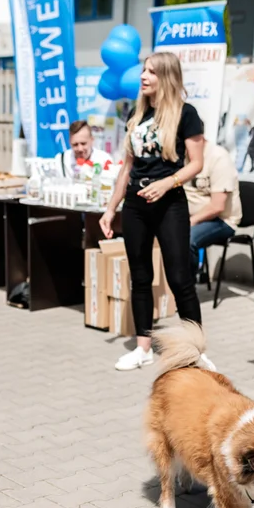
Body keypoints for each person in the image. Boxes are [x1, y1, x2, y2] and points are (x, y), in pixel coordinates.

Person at [99, 52, 209, 372]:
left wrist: (166, 183)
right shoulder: (137, 114)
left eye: (151, 72)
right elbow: (126, 169)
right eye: (143, 71)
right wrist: (110, 209)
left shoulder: (186, 114)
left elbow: (197, 163)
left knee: (180, 278)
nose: (143, 76)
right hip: (135, 204)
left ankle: (195, 352)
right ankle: (143, 348)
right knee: (141, 278)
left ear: (167, 77)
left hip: (170, 203)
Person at [185, 139, 241, 279]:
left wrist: (191, 221)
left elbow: (217, 206)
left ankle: (187, 291)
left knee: (186, 239)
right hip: (188, 216)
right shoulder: (180, 155)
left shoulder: (218, 157)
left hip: (222, 220)